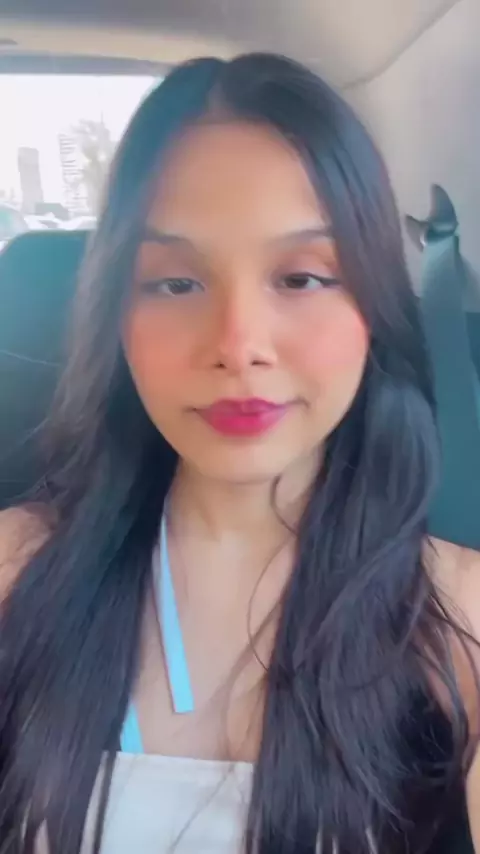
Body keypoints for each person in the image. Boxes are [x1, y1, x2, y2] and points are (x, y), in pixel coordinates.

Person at [0, 53, 479, 854]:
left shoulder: (458, 614)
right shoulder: (16, 571)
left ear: (374, 303)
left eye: (301, 277)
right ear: (116, 316)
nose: (237, 344)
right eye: (175, 283)